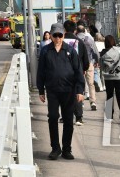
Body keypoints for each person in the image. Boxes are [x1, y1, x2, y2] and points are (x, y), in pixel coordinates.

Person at [37, 22, 84, 161]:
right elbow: (41, 72)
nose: (57, 38)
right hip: (52, 91)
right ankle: (55, 148)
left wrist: (80, 90)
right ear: (51, 36)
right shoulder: (45, 51)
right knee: (52, 117)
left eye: (60, 35)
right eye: (55, 35)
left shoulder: (70, 51)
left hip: (68, 91)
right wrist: (41, 90)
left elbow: (78, 72)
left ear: (63, 35)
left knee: (69, 120)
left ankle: (66, 149)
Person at [62, 19, 92, 125]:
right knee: (78, 93)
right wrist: (83, 69)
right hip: (77, 72)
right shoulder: (80, 42)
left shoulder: (59, 41)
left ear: (64, 29)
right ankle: (79, 117)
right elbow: (86, 60)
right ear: (75, 30)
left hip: (63, 72)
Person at [99, 35, 120, 125]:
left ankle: (109, 117)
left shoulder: (102, 53)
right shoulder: (118, 51)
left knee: (109, 96)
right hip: (119, 77)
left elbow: (101, 66)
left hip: (108, 78)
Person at [76, 23, 100, 109]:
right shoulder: (89, 39)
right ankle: (93, 102)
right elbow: (95, 51)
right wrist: (97, 60)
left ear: (77, 31)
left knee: (79, 83)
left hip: (78, 64)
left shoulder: (75, 39)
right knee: (91, 83)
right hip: (89, 63)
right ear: (84, 31)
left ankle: (80, 102)